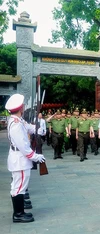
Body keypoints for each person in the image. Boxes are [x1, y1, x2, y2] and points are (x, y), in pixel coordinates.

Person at [6, 94, 46, 223]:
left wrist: (38, 129)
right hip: (20, 159)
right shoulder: (16, 124)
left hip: (19, 157)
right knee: (18, 187)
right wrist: (35, 157)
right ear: (21, 107)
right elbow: (23, 146)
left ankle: (20, 211)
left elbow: (29, 127)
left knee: (18, 186)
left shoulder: (17, 120)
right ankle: (18, 214)